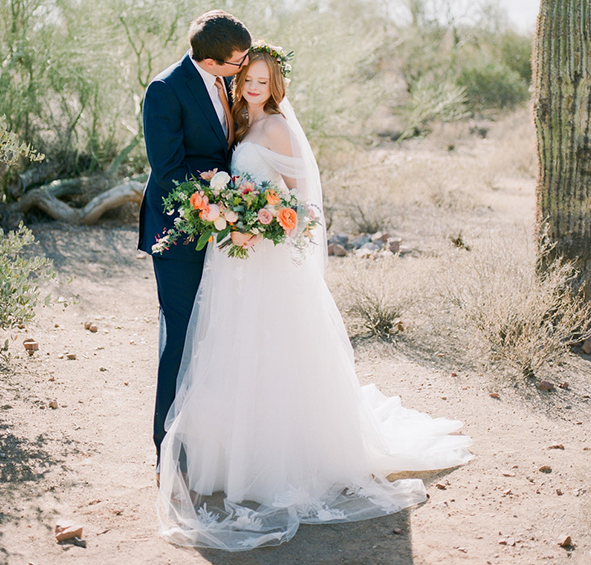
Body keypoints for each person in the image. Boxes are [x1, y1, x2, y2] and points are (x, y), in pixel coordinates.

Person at [156, 44, 473, 550]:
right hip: (233, 260)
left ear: (275, 84)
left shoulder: (277, 126)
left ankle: (276, 462)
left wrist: (262, 224)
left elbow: (304, 203)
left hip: (267, 260)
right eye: (248, 79)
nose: (253, 88)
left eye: (262, 81)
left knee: (275, 352)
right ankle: (229, 458)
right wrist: (230, 211)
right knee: (234, 350)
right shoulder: (240, 122)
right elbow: (238, 181)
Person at [138, 10, 252, 474]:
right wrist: (223, 194)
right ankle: (166, 447)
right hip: (178, 228)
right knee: (181, 333)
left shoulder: (226, 83)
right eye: (236, 62)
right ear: (209, 62)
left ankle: (207, 441)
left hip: (219, 228)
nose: (243, 68)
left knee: (216, 332)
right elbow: (167, 168)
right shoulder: (165, 90)